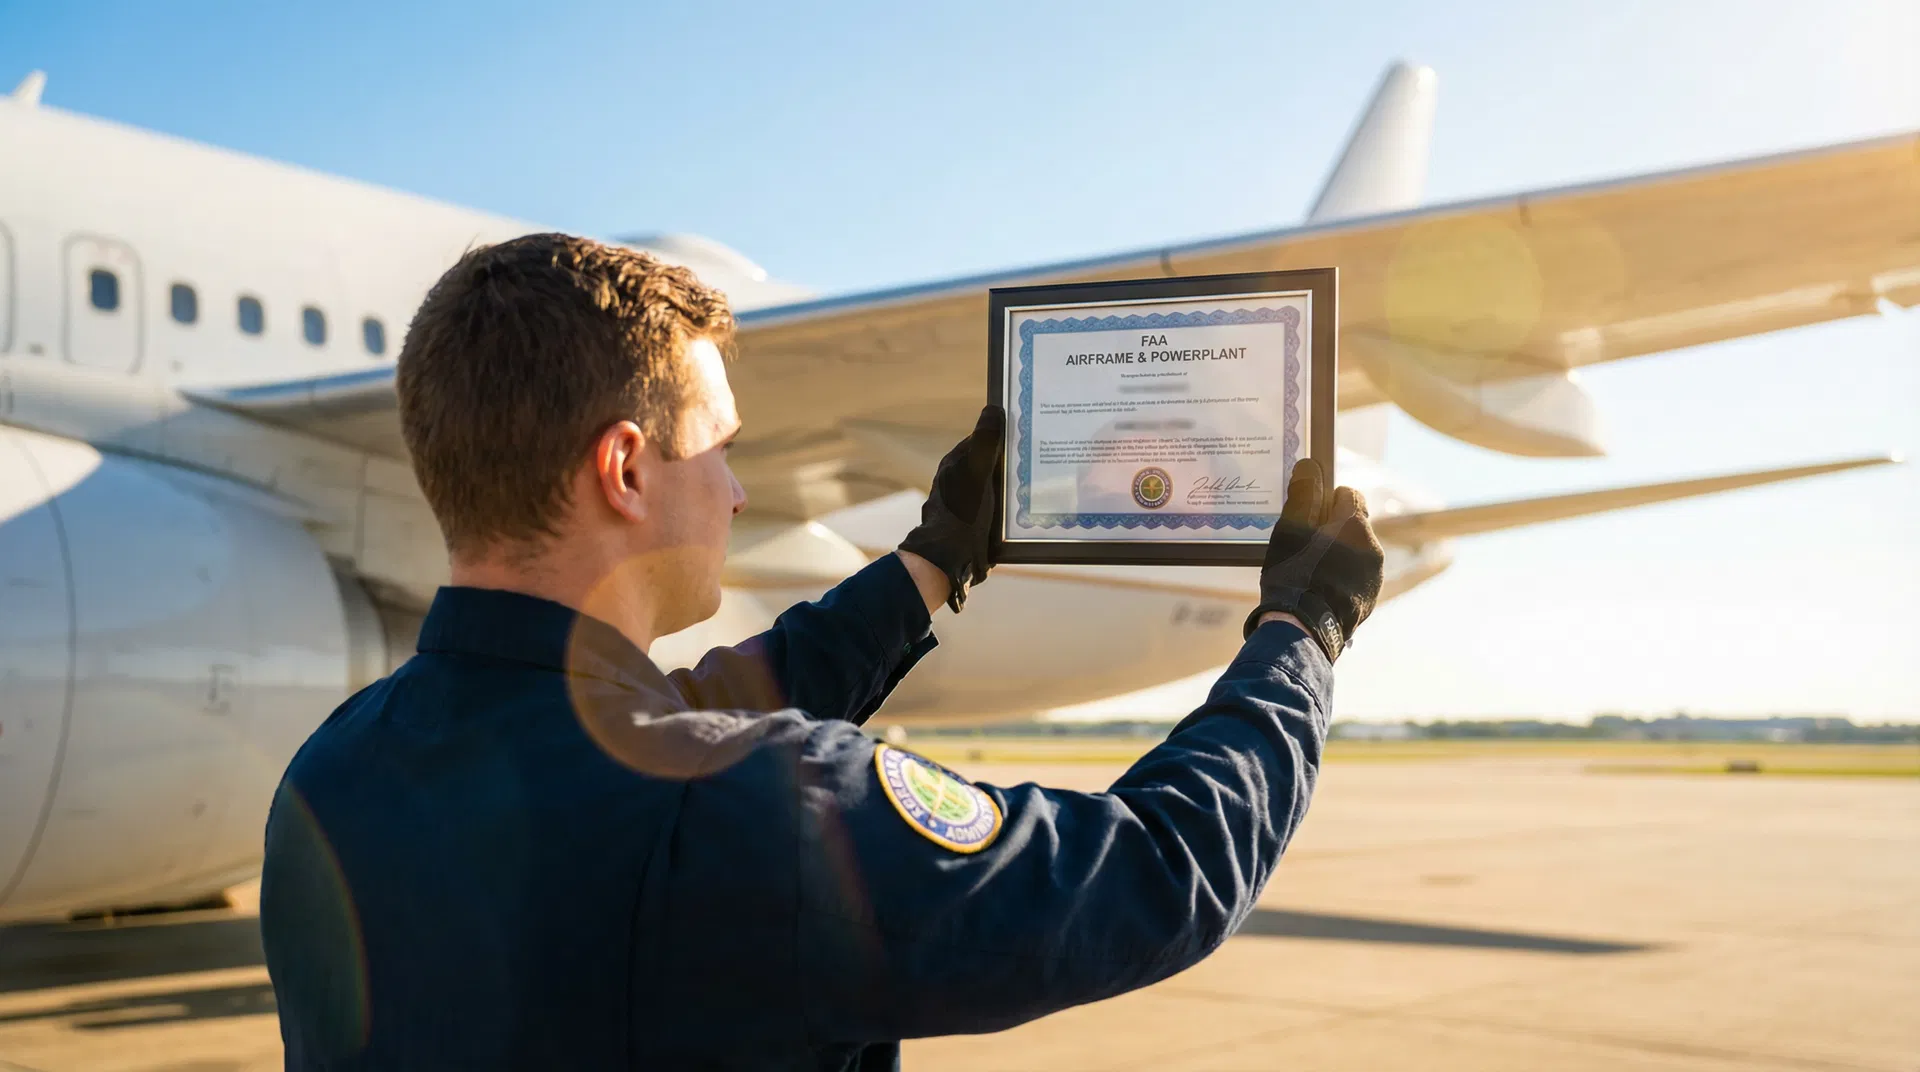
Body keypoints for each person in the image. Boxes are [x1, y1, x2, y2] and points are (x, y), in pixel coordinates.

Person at [259, 233, 1385, 1071]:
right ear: (627, 468)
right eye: (723, 450)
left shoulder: (332, 775)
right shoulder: (750, 812)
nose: (738, 493)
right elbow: (1156, 872)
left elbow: (676, 722)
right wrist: (1301, 631)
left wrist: (933, 561)